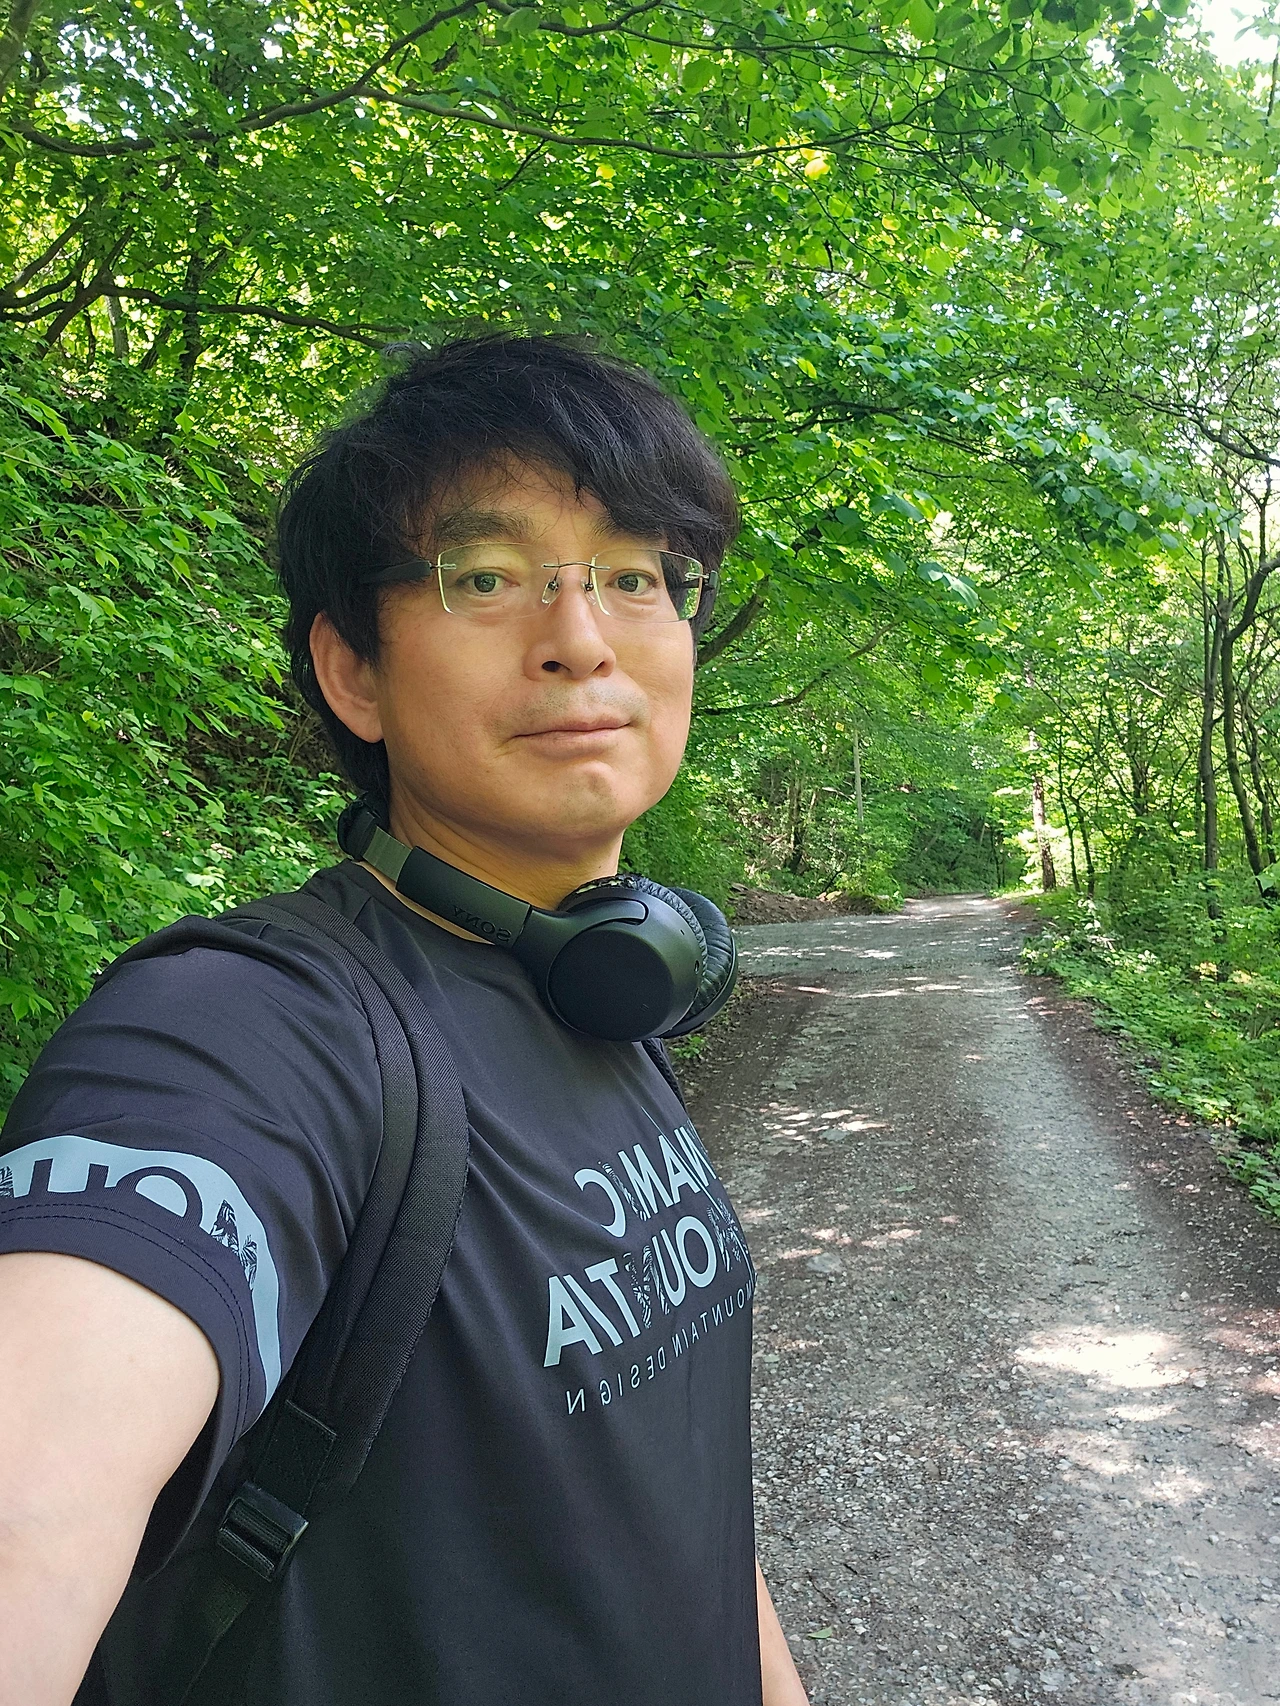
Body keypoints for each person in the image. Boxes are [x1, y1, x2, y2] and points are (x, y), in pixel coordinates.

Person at [0, 335, 809, 1706]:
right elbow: (33, 1498)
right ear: (354, 673)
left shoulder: (602, 993)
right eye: (484, 576)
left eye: (634, 575)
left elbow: (671, 1496)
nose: (580, 638)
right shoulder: (251, 1029)